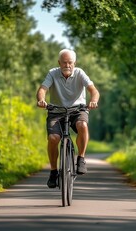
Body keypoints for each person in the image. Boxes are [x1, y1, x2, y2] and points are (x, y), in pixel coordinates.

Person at [36, 49, 100, 188]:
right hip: (56, 111)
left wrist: (93, 101)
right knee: (53, 138)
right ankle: (53, 171)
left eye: (70, 62)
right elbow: (42, 89)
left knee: (82, 125)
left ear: (74, 63)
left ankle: (81, 158)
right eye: (64, 62)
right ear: (59, 63)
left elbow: (93, 90)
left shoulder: (80, 73)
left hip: (77, 110)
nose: (67, 65)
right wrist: (41, 100)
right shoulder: (52, 73)